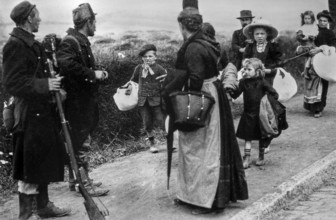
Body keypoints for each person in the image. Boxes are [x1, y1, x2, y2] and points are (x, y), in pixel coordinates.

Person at [167, 0, 248, 214]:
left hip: (202, 96)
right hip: (215, 93)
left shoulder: (193, 46)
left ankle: (208, 201)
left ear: (183, 26)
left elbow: (195, 77)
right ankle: (197, 196)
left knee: (199, 148)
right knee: (213, 146)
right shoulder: (209, 42)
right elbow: (220, 66)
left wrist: (184, 101)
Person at [2, 1, 71, 219]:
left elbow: (35, 76)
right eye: (38, 15)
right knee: (30, 166)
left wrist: (53, 84)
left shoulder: (33, 44)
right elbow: (12, 83)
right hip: (29, 116)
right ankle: (25, 215)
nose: (40, 19)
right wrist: (45, 86)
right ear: (29, 18)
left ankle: (43, 207)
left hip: (42, 113)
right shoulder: (14, 45)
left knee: (43, 160)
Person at [57, 3, 109, 196]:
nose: (96, 26)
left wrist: (96, 75)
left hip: (83, 102)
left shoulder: (80, 40)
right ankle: (84, 186)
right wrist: (92, 74)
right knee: (81, 143)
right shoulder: (71, 41)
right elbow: (67, 64)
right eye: (94, 22)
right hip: (76, 103)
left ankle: (76, 180)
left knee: (79, 142)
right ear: (88, 22)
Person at [230, 58, 278, 169]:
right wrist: (230, 89)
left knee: (261, 136)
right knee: (248, 137)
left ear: (257, 71)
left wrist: (267, 103)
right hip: (248, 114)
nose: (246, 71)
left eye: (249, 69)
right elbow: (235, 95)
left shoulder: (262, 82)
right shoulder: (243, 82)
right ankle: (246, 158)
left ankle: (261, 157)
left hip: (260, 115)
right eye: (244, 69)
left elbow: (274, 94)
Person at [127, 44, 166, 153]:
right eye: (145, 57)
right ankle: (152, 144)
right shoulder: (139, 68)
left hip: (156, 100)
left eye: (150, 56)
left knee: (161, 120)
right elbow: (133, 81)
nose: (147, 59)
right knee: (147, 122)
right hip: (143, 100)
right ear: (142, 58)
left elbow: (165, 81)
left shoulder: (159, 69)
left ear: (155, 57)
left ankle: (169, 140)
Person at [305, 10, 336, 118]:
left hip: (324, 60)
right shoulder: (313, 30)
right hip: (312, 58)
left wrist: (320, 49)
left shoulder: (330, 33)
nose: (322, 22)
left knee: (322, 84)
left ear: (327, 22)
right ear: (318, 20)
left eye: (325, 21)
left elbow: (333, 47)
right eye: (321, 20)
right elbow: (306, 42)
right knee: (312, 82)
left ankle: (319, 108)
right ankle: (311, 106)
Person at [242, 19, 283, 86]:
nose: (259, 36)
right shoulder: (250, 46)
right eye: (257, 34)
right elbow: (245, 59)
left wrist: (269, 70)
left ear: (267, 34)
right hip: (253, 76)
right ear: (253, 35)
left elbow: (279, 62)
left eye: (262, 34)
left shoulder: (273, 46)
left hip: (269, 76)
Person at [296, 11, 318, 80]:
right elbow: (298, 37)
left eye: (309, 18)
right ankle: (307, 71)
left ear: (312, 19)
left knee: (312, 56)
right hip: (305, 46)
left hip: (312, 45)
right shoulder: (302, 28)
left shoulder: (314, 27)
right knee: (311, 55)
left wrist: (309, 37)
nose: (307, 20)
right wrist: (302, 38)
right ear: (303, 19)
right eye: (305, 18)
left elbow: (315, 36)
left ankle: (306, 71)